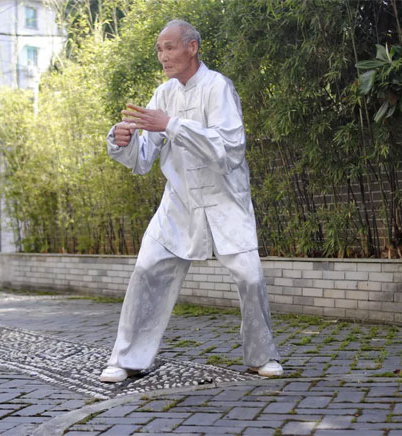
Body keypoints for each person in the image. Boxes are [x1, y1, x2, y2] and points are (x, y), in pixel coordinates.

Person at [100, 20, 282, 383]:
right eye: (159, 50)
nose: (163, 56)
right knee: (147, 269)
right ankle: (127, 359)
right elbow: (142, 159)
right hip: (179, 202)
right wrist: (122, 140)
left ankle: (262, 356)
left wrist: (171, 125)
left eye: (169, 48)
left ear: (192, 47)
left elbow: (229, 149)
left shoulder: (218, 87)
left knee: (250, 276)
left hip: (225, 200)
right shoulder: (163, 93)